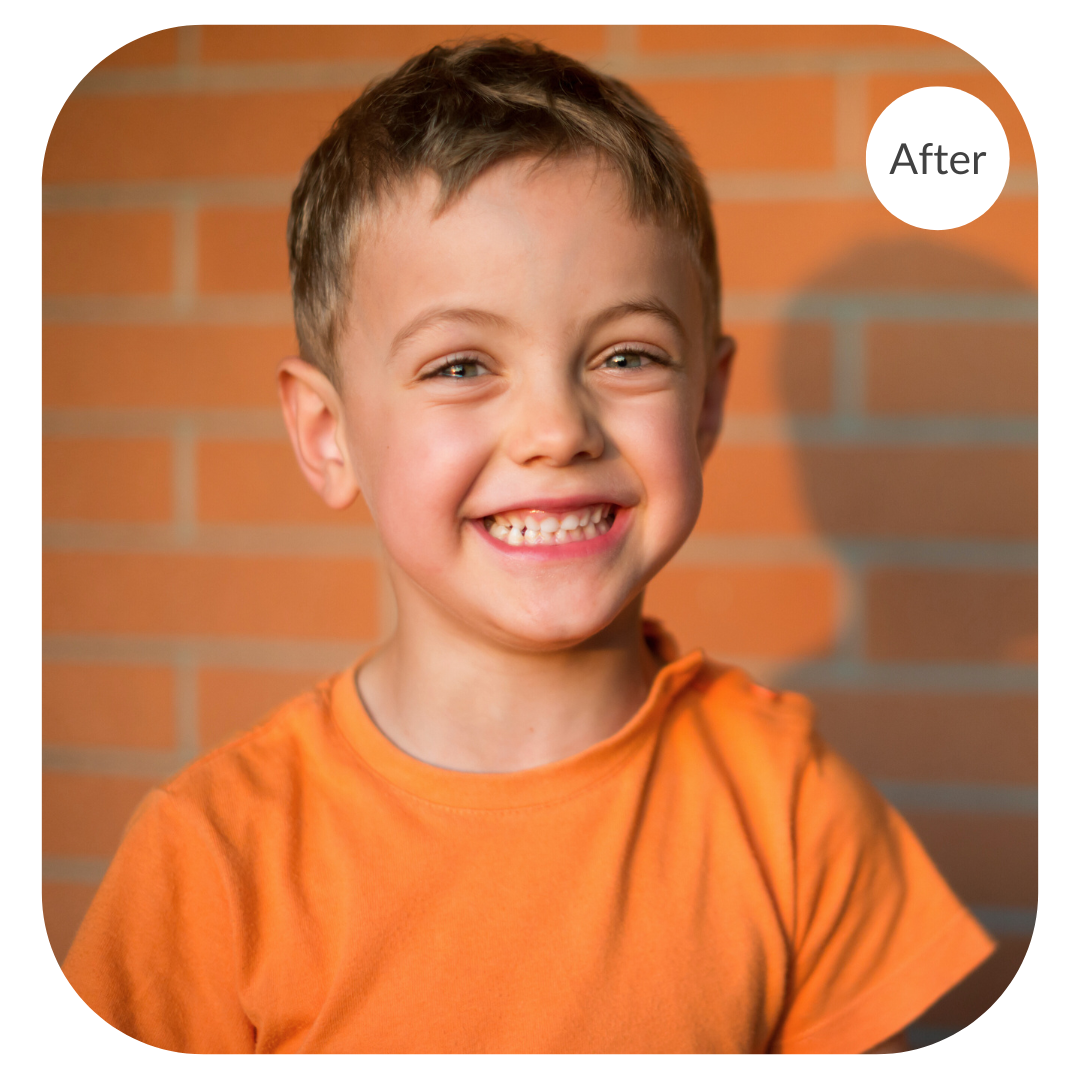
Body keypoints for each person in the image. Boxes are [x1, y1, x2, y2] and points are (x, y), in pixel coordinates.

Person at [61, 39, 994, 1054]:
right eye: (461, 365)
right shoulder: (211, 859)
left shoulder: (795, 805)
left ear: (707, 406)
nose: (557, 429)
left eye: (628, 355)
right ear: (329, 437)